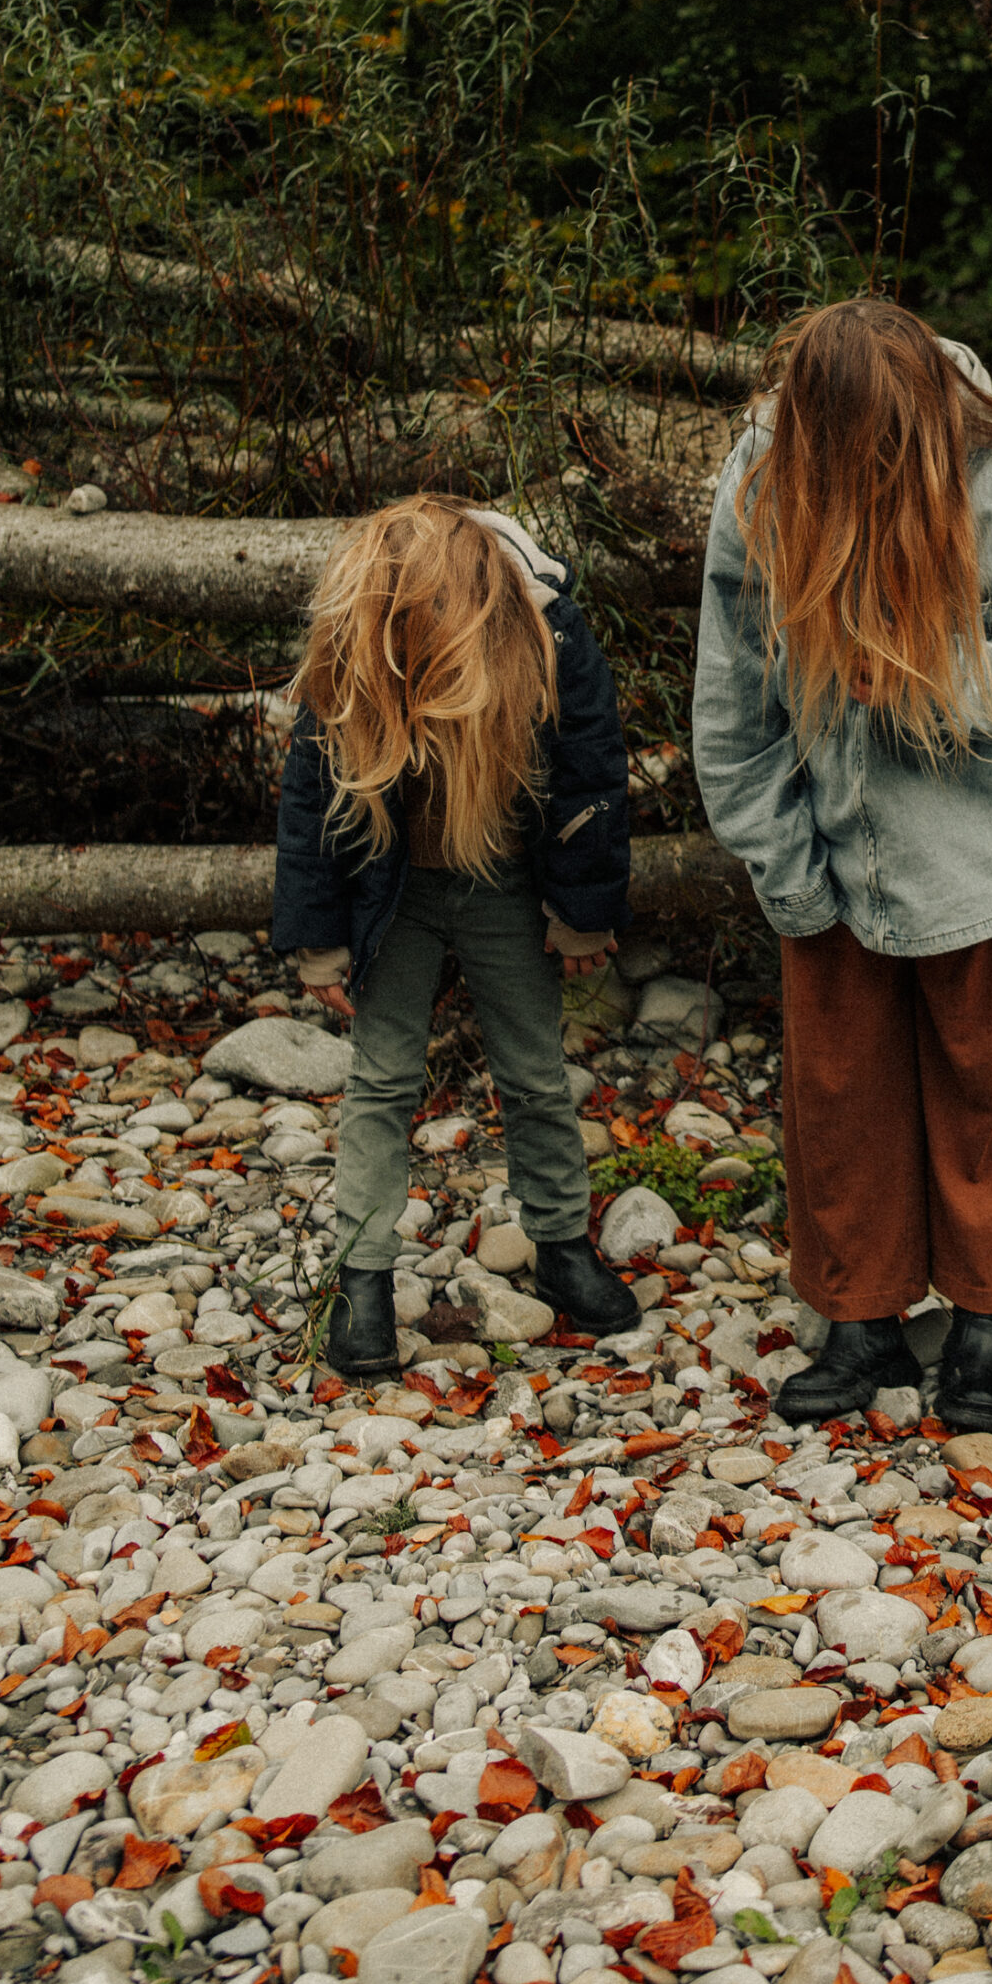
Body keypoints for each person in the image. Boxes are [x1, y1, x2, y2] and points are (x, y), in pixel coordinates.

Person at [692, 301, 992, 1432]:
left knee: (986, 1090)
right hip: (827, 844)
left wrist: (943, 681)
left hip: (977, 853)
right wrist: (783, 863)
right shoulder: (762, 479)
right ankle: (862, 1322)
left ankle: (983, 1327)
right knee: (840, 1094)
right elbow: (733, 696)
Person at [272, 496, 637, 1376]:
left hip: (503, 878)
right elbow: (311, 797)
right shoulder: (356, 636)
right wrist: (316, 940)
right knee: (381, 1079)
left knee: (535, 1073)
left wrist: (581, 912)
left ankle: (560, 1245)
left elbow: (591, 773)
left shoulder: (548, 632)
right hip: (390, 887)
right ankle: (359, 1277)